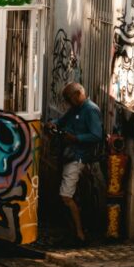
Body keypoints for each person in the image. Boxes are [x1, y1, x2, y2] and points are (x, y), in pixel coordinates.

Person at [47, 82, 105, 244]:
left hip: (78, 157)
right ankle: (73, 231)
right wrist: (54, 124)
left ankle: (79, 234)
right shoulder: (76, 109)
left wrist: (76, 138)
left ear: (79, 94)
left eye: (69, 98)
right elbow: (62, 120)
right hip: (69, 155)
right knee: (69, 196)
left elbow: (96, 135)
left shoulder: (90, 110)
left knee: (66, 196)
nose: (67, 102)